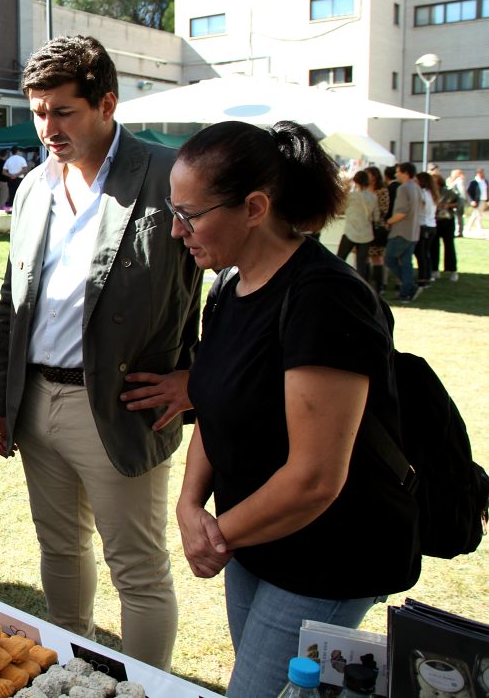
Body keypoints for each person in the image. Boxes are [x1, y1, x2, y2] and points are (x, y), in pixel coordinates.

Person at [168, 120, 420, 697]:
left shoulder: (325, 300)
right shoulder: (227, 287)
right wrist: (188, 503)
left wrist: (215, 534)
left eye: (191, 215)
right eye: (173, 211)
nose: (178, 232)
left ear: (255, 207)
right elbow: (213, 405)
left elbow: (314, 479)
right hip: (253, 543)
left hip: (328, 554)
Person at [0, 36, 203, 670]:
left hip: (120, 403)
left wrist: (198, 379)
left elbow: (239, 277)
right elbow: (12, 301)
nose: (47, 127)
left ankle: (145, 689)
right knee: (58, 549)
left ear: (107, 102)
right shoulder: (31, 188)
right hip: (36, 402)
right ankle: (69, 671)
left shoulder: (168, 175)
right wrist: (3, 400)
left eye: (62, 112)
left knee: (136, 568)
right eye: (37, 111)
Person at [383, 163, 424, 303]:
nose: (396, 174)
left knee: (389, 258)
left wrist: (388, 222)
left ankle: (408, 287)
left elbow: (401, 212)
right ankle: (407, 290)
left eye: (398, 172)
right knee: (406, 263)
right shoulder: (417, 188)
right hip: (413, 232)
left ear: (406, 173)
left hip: (401, 232)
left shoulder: (403, 188)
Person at [336, 170, 376, 283]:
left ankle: (338, 281)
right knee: (361, 263)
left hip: (351, 231)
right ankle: (363, 285)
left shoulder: (351, 196)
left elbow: (340, 210)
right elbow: (376, 216)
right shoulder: (373, 197)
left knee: (340, 258)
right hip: (366, 233)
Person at [365, 166, 389, 294]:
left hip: (376, 227)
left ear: (374, 175)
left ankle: (379, 285)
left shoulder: (381, 190)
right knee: (365, 257)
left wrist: (374, 217)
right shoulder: (362, 189)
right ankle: (367, 283)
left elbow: (384, 209)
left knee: (377, 257)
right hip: (364, 228)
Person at [432, 170, 459, 281]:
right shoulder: (430, 193)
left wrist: (448, 205)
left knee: (449, 245)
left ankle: (452, 270)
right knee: (434, 246)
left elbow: (459, 202)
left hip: (447, 221)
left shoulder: (448, 192)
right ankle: (434, 270)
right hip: (435, 221)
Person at [413, 172, 438, 287]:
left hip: (424, 225)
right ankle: (428, 275)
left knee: (420, 253)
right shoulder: (432, 193)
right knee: (426, 252)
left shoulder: (422, 193)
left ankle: (423, 278)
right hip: (432, 225)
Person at [448, 168, 467, 237]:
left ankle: (459, 232)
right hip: (458, 201)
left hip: (458, 202)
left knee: (458, 217)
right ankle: (459, 231)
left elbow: (462, 193)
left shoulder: (459, 181)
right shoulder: (457, 181)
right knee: (458, 217)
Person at [468, 168, 487, 234]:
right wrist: (472, 200)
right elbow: (469, 192)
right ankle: (480, 229)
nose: (483, 174)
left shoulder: (485, 181)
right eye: (481, 172)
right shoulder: (474, 182)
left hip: (484, 200)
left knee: (475, 214)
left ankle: (468, 227)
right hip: (477, 201)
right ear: (478, 173)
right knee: (478, 215)